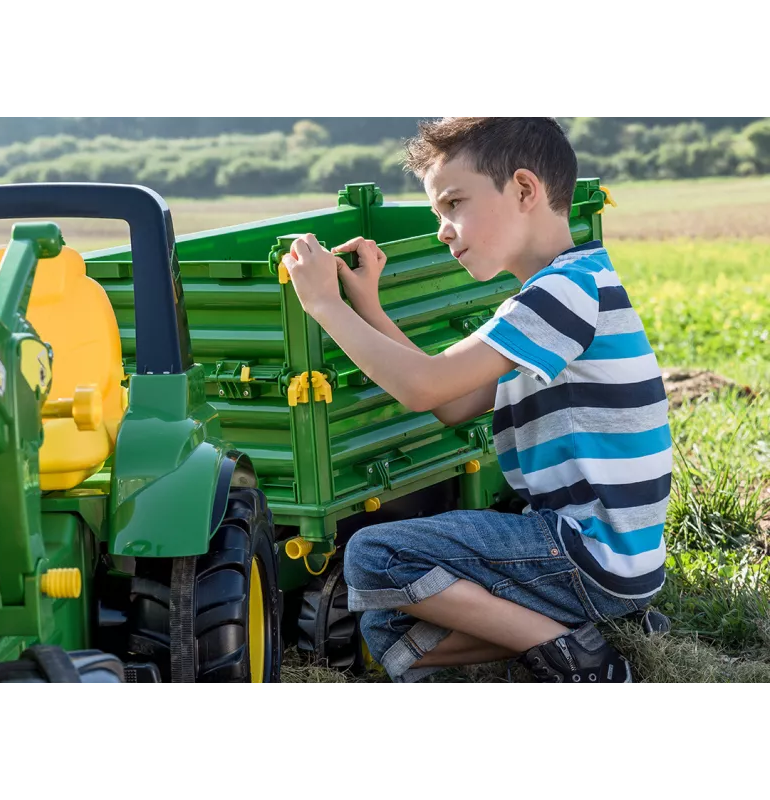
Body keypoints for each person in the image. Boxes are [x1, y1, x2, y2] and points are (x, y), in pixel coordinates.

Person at [280, 114, 671, 686]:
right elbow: (455, 403)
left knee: (373, 557)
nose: (443, 229)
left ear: (523, 190)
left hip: (586, 553)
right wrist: (371, 307)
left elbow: (423, 388)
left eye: (454, 204)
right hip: (616, 564)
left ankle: (580, 661)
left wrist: (325, 305)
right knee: (388, 632)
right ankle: (600, 629)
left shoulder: (561, 295)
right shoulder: (570, 287)